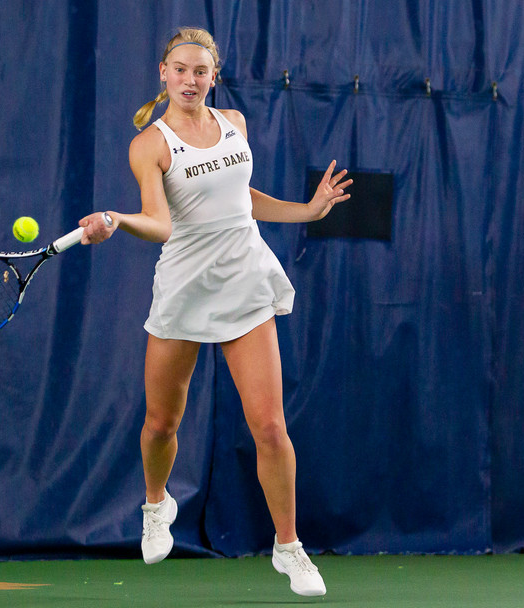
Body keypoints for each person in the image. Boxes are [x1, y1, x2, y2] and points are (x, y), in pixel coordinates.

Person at [78, 26, 350, 597]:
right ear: (163, 72)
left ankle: (288, 546)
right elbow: (162, 223)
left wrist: (309, 210)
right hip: (185, 285)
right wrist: (120, 220)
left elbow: (241, 198)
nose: (190, 80)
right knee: (161, 424)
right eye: (180, 69)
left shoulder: (235, 124)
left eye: (200, 71)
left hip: (245, 279)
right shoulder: (149, 145)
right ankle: (156, 503)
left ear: (213, 76)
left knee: (271, 426)